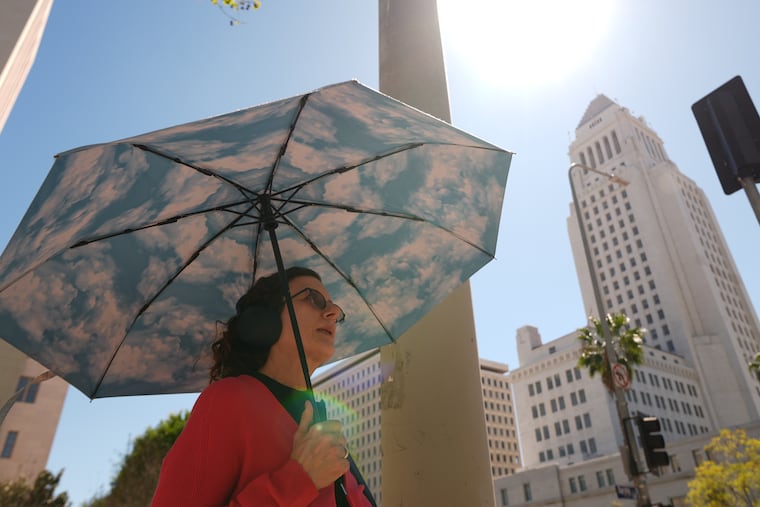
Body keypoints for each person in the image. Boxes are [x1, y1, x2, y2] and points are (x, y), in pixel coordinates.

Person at [151, 266, 376, 506]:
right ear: (264, 320)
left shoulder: (321, 424)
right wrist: (299, 479)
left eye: (334, 307)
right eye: (314, 298)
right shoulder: (229, 400)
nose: (332, 311)